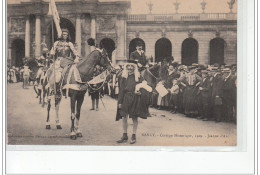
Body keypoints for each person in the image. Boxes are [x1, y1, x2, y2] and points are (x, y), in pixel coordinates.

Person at [116, 61, 151, 144]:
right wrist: (120, 102)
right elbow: (121, 90)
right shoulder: (123, 77)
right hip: (125, 98)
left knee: (134, 117)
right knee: (124, 116)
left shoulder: (139, 77)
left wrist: (140, 92)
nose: (130, 68)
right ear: (126, 67)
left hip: (135, 99)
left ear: (135, 68)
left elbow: (145, 86)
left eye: (132, 66)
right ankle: (124, 135)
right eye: (128, 66)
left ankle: (133, 135)